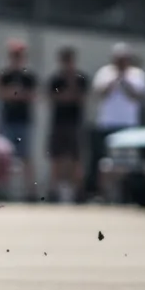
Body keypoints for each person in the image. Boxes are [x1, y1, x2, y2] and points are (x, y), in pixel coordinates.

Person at [87, 42, 145, 201]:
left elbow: (137, 96)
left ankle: (128, 195)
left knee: (128, 163)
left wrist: (125, 80)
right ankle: (102, 194)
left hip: (128, 125)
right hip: (107, 124)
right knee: (104, 162)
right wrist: (116, 79)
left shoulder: (137, 75)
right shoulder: (105, 73)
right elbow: (100, 93)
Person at [46, 46, 89, 204]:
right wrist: (69, 95)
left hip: (75, 124)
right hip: (58, 123)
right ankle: (53, 192)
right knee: (56, 159)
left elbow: (81, 98)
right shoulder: (55, 80)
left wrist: (68, 91)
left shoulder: (81, 79)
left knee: (76, 160)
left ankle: (79, 193)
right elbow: (54, 98)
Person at [0, 40, 38, 199]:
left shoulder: (29, 76)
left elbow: (33, 96)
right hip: (7, 120)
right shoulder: (5, 75)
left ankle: (31, 192)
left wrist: (14, 94)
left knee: (26, 157)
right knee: (5, 158)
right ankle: (3, 191)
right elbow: (1, 93)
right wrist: (16, 95)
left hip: (23, 121)